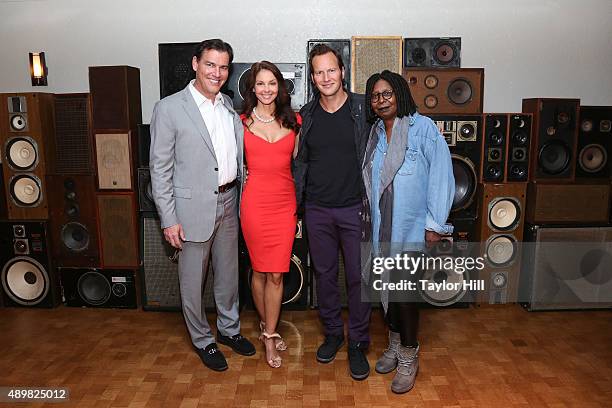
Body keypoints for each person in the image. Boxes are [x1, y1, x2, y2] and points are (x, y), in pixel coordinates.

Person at [149, 39, 255, 372]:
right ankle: (202, 340)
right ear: (196, 63)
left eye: (224, 67)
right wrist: (168, 219)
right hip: (190, 209)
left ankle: (229, 330)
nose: (217, 73)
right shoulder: (169, 108)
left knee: (228, 275)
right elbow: (159, 169)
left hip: (229, 200)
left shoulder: (226, 104)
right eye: (210, 64)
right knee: (193, 281)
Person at [362, 70, 454, 393]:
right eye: (375, 96)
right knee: (387, 289)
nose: (381, 100)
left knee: (404, 294)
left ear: (400, 94)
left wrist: (434, 225)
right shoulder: (374, 134)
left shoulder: (423, 129)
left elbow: (441, 175)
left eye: (387, 93)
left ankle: (409, 355)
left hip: (411, 227)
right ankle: (395, 342)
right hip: (382, 228)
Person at [293, 44, 372, 380]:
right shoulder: (306, 115)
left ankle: (358, 342)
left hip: (355, 208)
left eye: (331, 70)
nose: (326, 77)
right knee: (324, 275)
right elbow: (300, 161)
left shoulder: (362, 109)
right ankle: (333, 334)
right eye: (319, 72)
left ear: (342, 72)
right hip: (317, 210)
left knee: (358, 277)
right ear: (312, 78)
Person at [239, 61, 301, 368]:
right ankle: (267, 331)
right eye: (260, 84)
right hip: (254, 204)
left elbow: (301, 166)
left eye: (272, 83)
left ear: (280, 87)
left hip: (284, 204)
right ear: (253, 88)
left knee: (277, 272)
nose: (266, 89)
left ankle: (271, 331)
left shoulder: (294, 121)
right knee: (260, 270)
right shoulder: (240, 123)